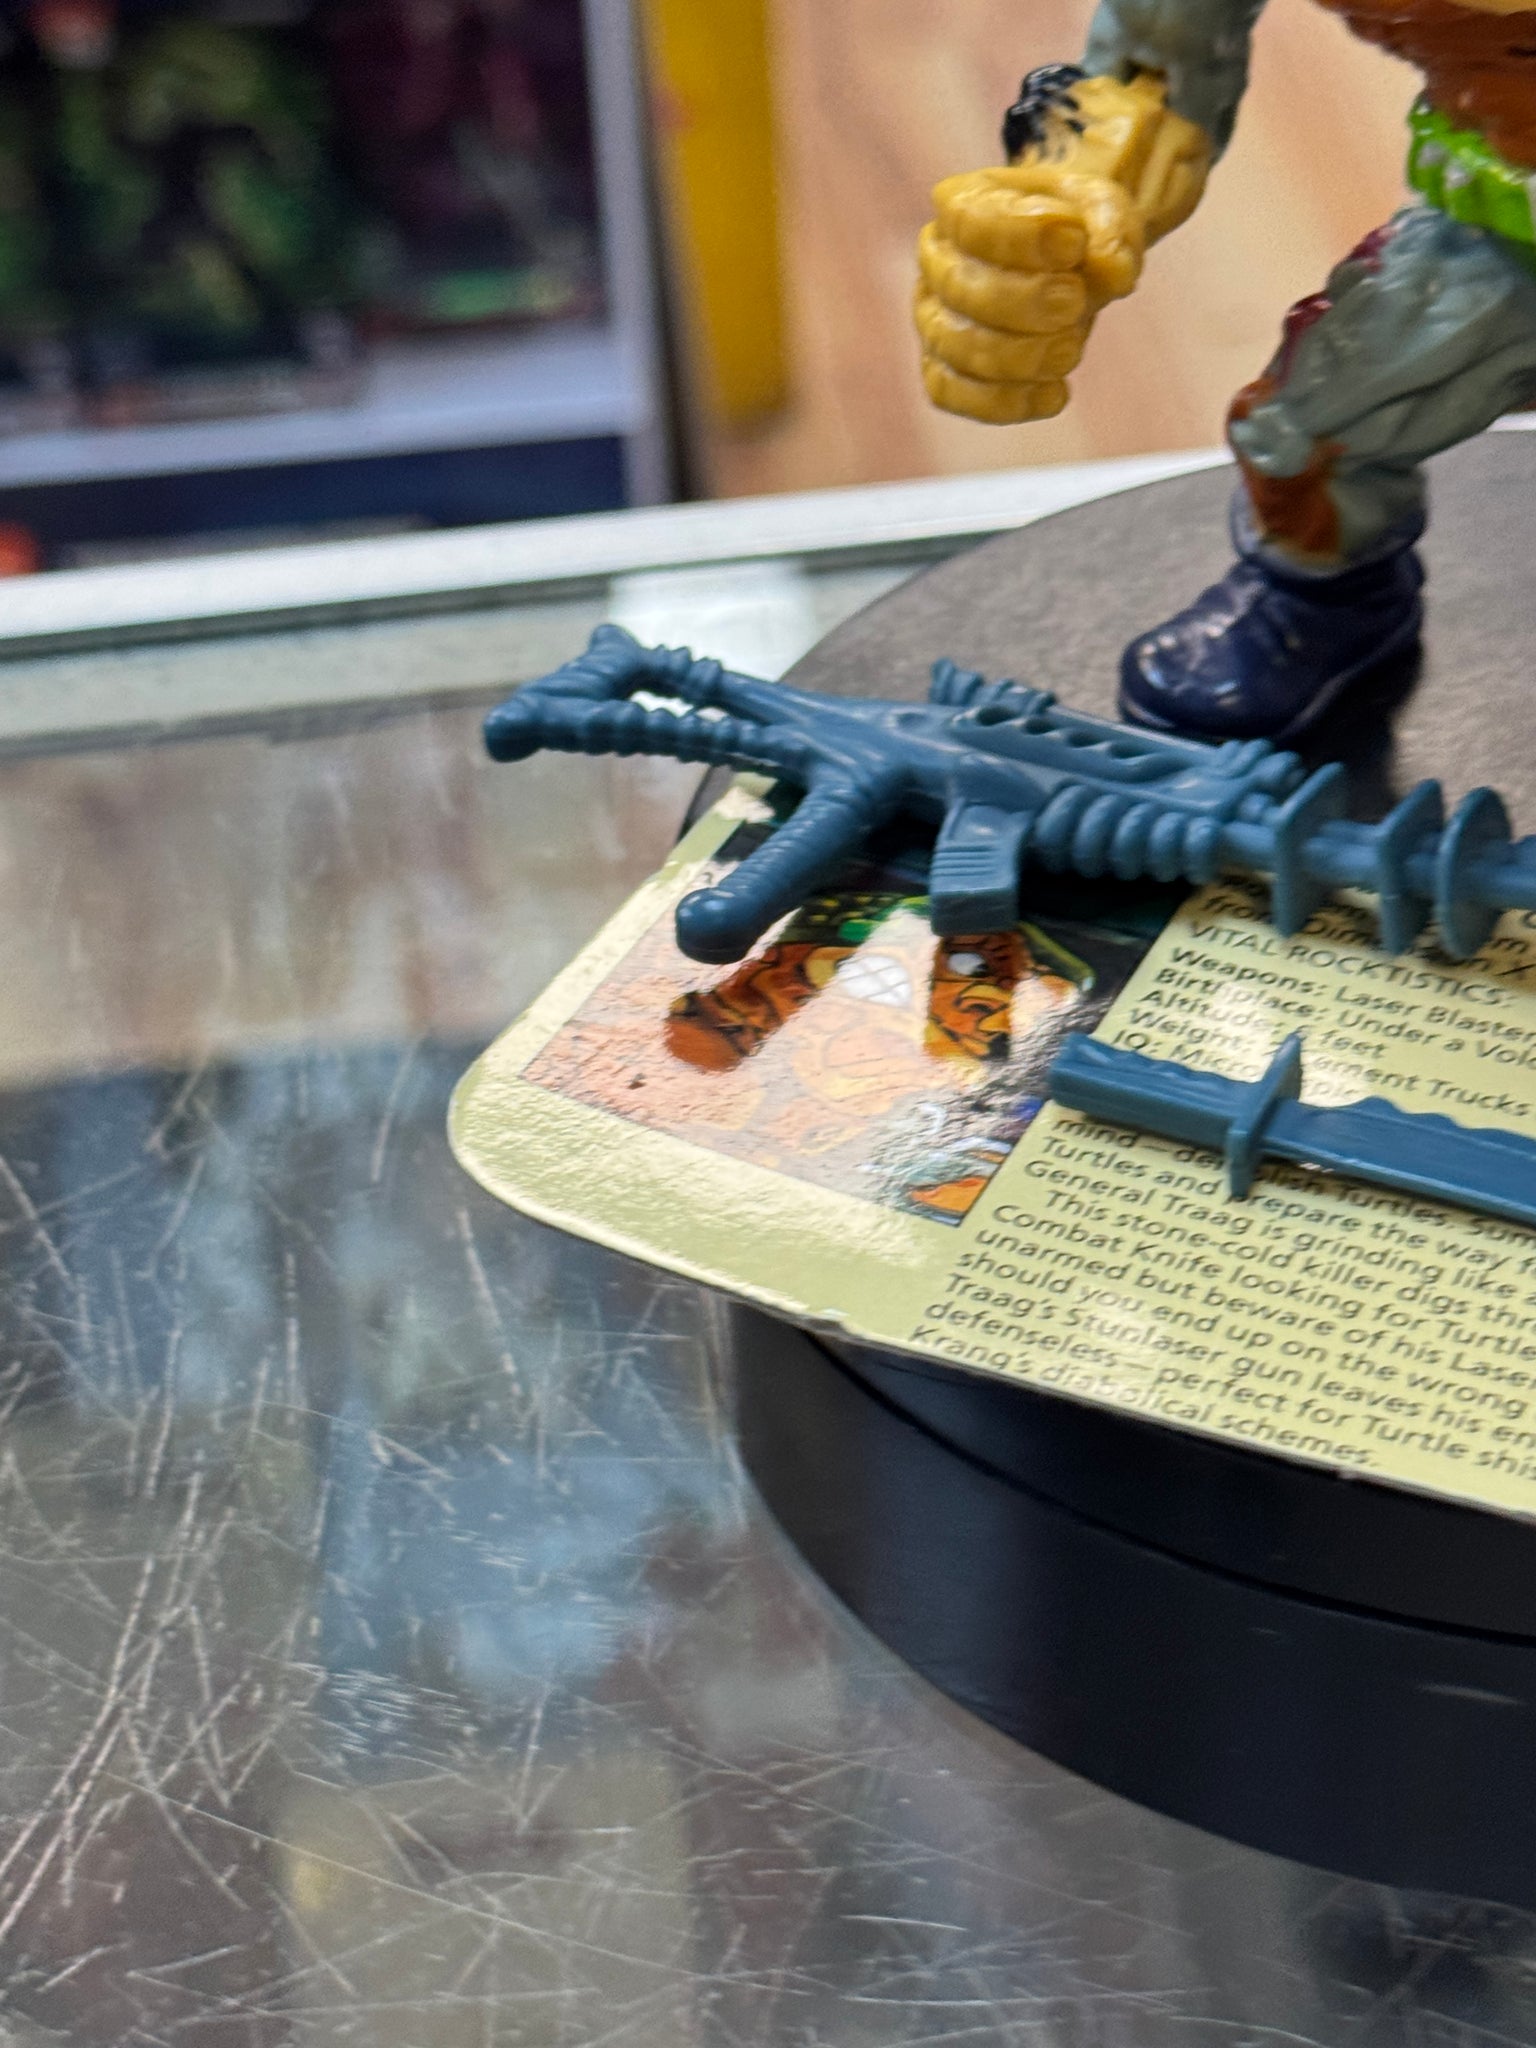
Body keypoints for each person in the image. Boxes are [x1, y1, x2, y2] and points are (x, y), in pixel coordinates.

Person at [916, 1, 1536, 742]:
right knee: (1301, 431)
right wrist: (1064, 205)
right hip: (1502, 234)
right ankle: (1322, 605)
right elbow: (1151, 73)